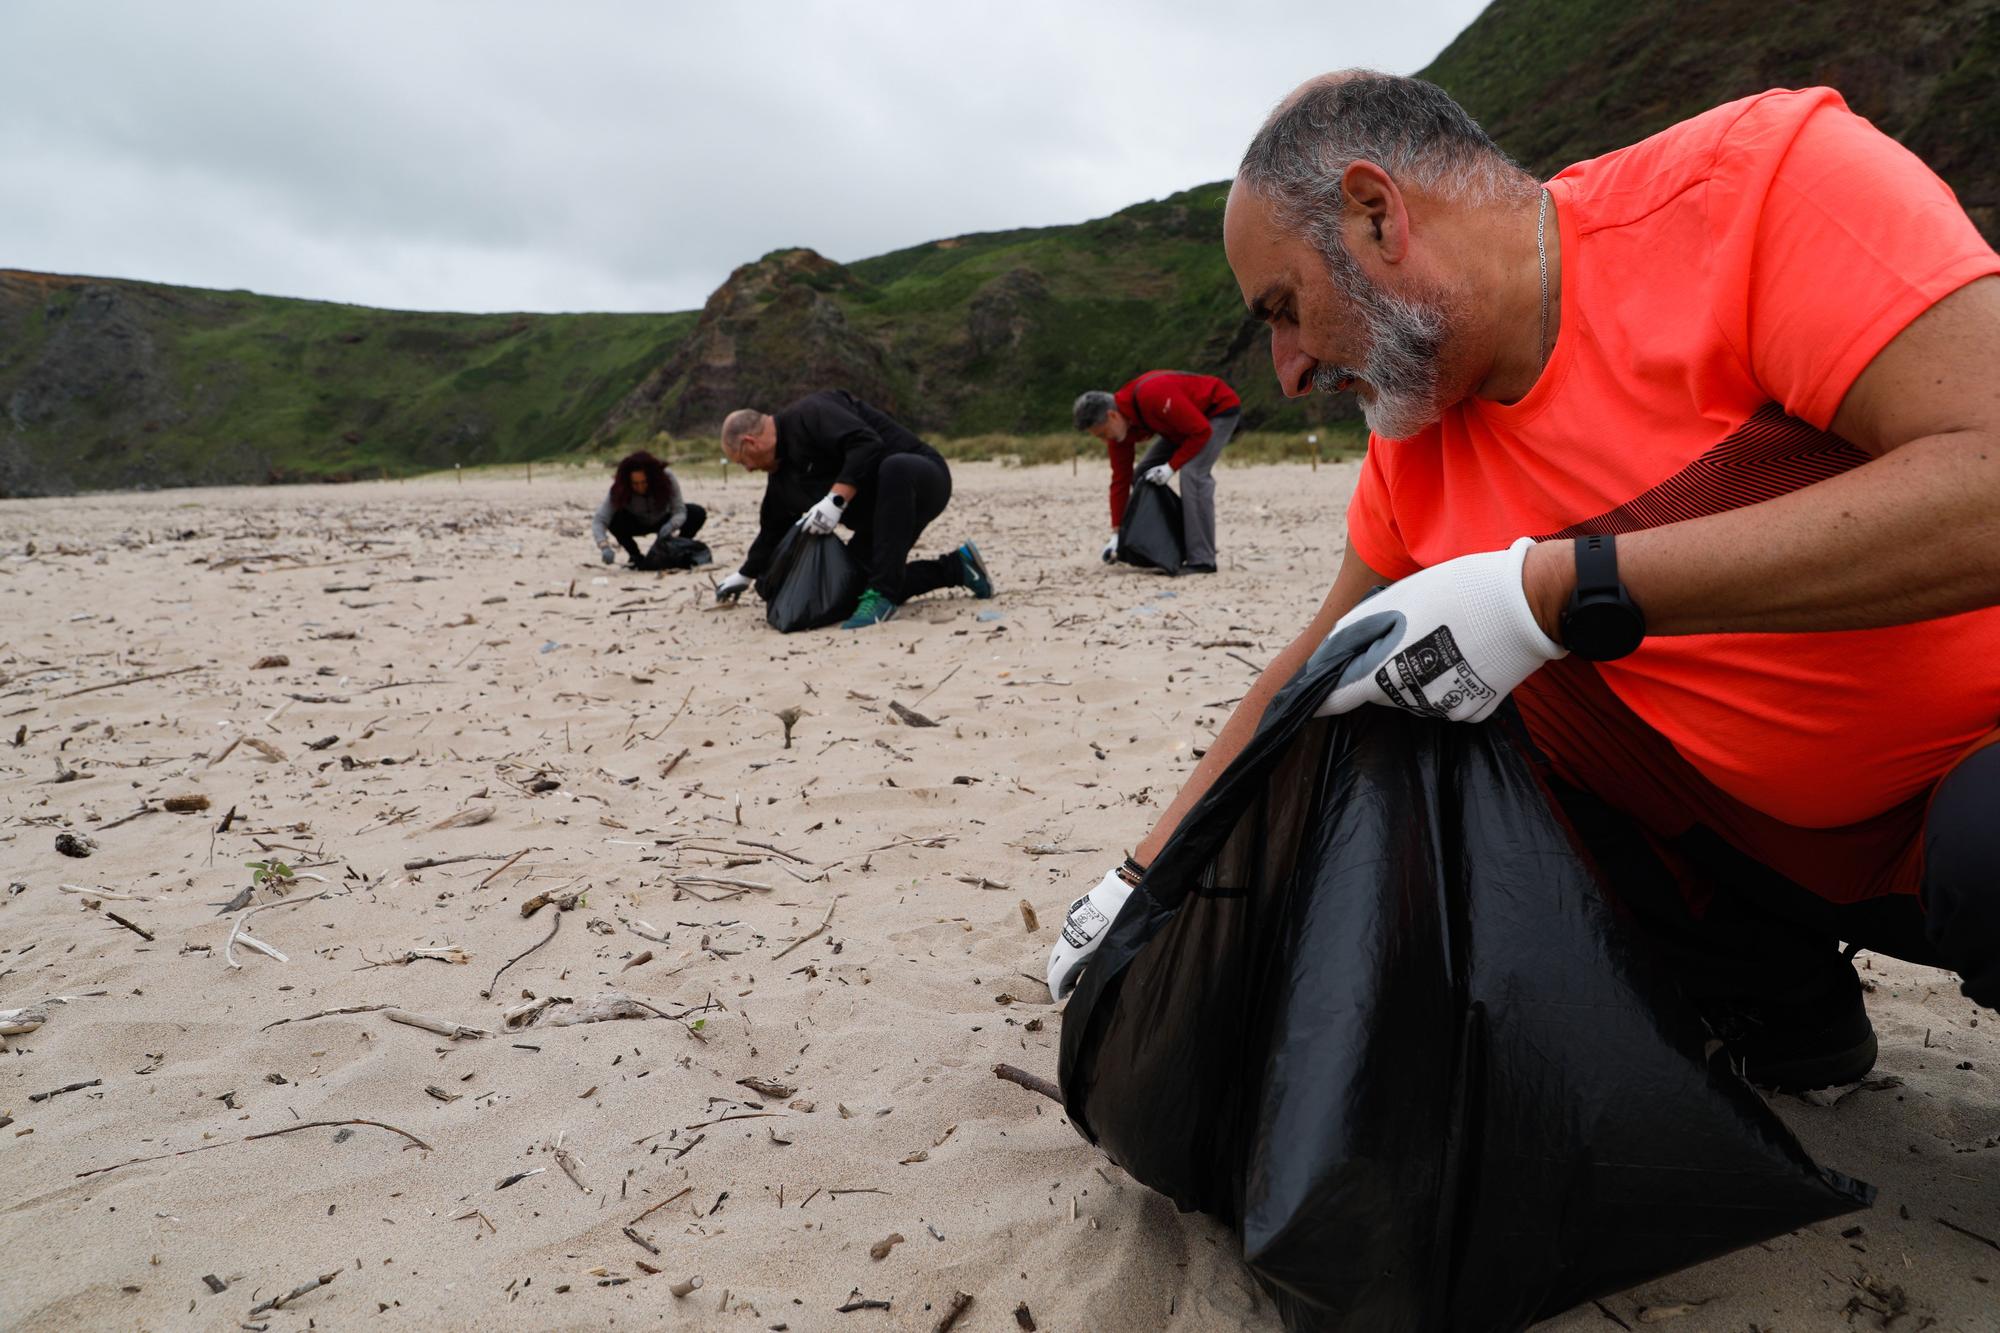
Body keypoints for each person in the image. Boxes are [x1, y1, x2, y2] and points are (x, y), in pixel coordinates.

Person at [1050, 73, 2000, 1092]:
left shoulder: (1753, 190)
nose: (1283, 372)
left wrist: (1553, 592)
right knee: (1410, 702)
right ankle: (1783, 1015)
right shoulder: (1415, 437)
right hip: (1750, 845)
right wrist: (1141, 874)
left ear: (1376, 215)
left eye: (1283, 310)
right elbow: (1321, 662)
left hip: (1962, 781)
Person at [711, 390, 994, 628]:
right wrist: (745, 575)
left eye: (742, 460)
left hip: (921, 480)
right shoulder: (782, 479)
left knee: (894, 468)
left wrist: (836, 499)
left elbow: (866, 443)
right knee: (848, 593)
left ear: (750, 442)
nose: (747, 469)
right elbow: (772, 528)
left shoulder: (811, 414)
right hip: (878, 520)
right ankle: (957, 568)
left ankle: (883, 596)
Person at [1073, 371, 1241, 572]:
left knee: (1192, 473)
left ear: (1112, 415)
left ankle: (1202, 560)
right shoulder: (1118, 432)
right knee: (1143, 474)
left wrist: (1171, 467)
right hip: (1179, 426)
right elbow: (1120, 479)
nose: (1103, 440)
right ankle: (1166, 542)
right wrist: (1117, 534)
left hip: (1216, 411)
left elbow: (1201, 431)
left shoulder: (1152, 395)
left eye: (1102, 433)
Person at [591, 449, 704, 567]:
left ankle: (676, 549)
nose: (640, 487)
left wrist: (671, 526)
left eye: (644, 482)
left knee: (696, 513)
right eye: (635, 484)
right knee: (614, 519)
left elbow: (679, 511)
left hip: (663, 520)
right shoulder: (620, 487)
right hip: (635, 523)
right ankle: (635, 555)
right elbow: (599, 520)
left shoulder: (666, 478)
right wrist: (604, 546)